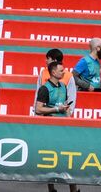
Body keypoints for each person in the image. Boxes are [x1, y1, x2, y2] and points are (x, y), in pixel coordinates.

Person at [34, 57, 81, 192]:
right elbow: (38, 109)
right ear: (53, 72)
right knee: (51, 159)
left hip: (63, 127)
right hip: (50, 128)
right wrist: (55, 110)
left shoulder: (64, 87)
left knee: (68, 159)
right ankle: (51, 188)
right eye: (61, 71)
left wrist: (68, 118)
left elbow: (64, 106)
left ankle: (74, 188)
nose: (64, 73)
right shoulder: (44, 89)